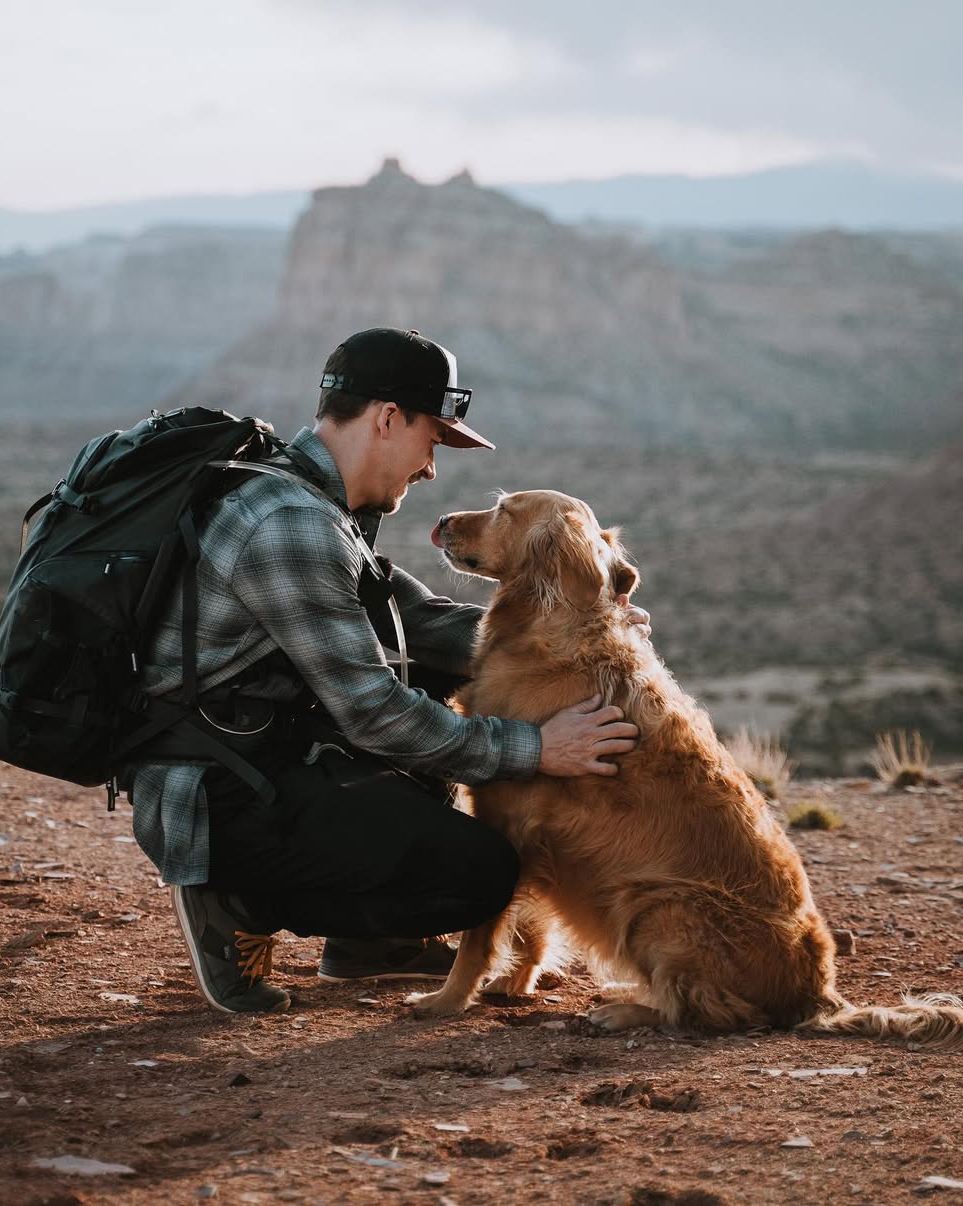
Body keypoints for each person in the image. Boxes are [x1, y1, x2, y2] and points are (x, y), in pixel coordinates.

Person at [126, 327, 649, 1014]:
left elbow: (424, 623)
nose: (432, 467)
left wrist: (579, 633)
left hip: (263, 754)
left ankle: (369, 942)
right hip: (218, 796)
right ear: (386, 419)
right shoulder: (291, 524)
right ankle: (235, 898)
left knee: (441, 668)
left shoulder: (318, 506)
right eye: (433, 440)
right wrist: (536, 750)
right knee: (479, 874)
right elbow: (374, 711)